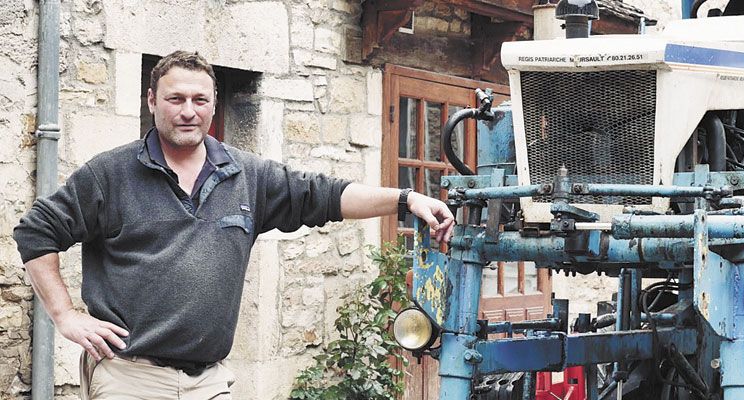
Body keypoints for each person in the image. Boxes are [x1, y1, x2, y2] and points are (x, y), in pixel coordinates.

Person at [13, 50, 455, 399]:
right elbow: (37, 231)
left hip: (210, 381)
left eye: (199, 100)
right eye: (175, 99)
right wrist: (64, 315)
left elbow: (325, 194)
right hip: (131, 377)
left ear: (213, 105)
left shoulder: (247, 175)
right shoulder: (109, 174)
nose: (188, 111)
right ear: (152, 102)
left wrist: (405, 198)